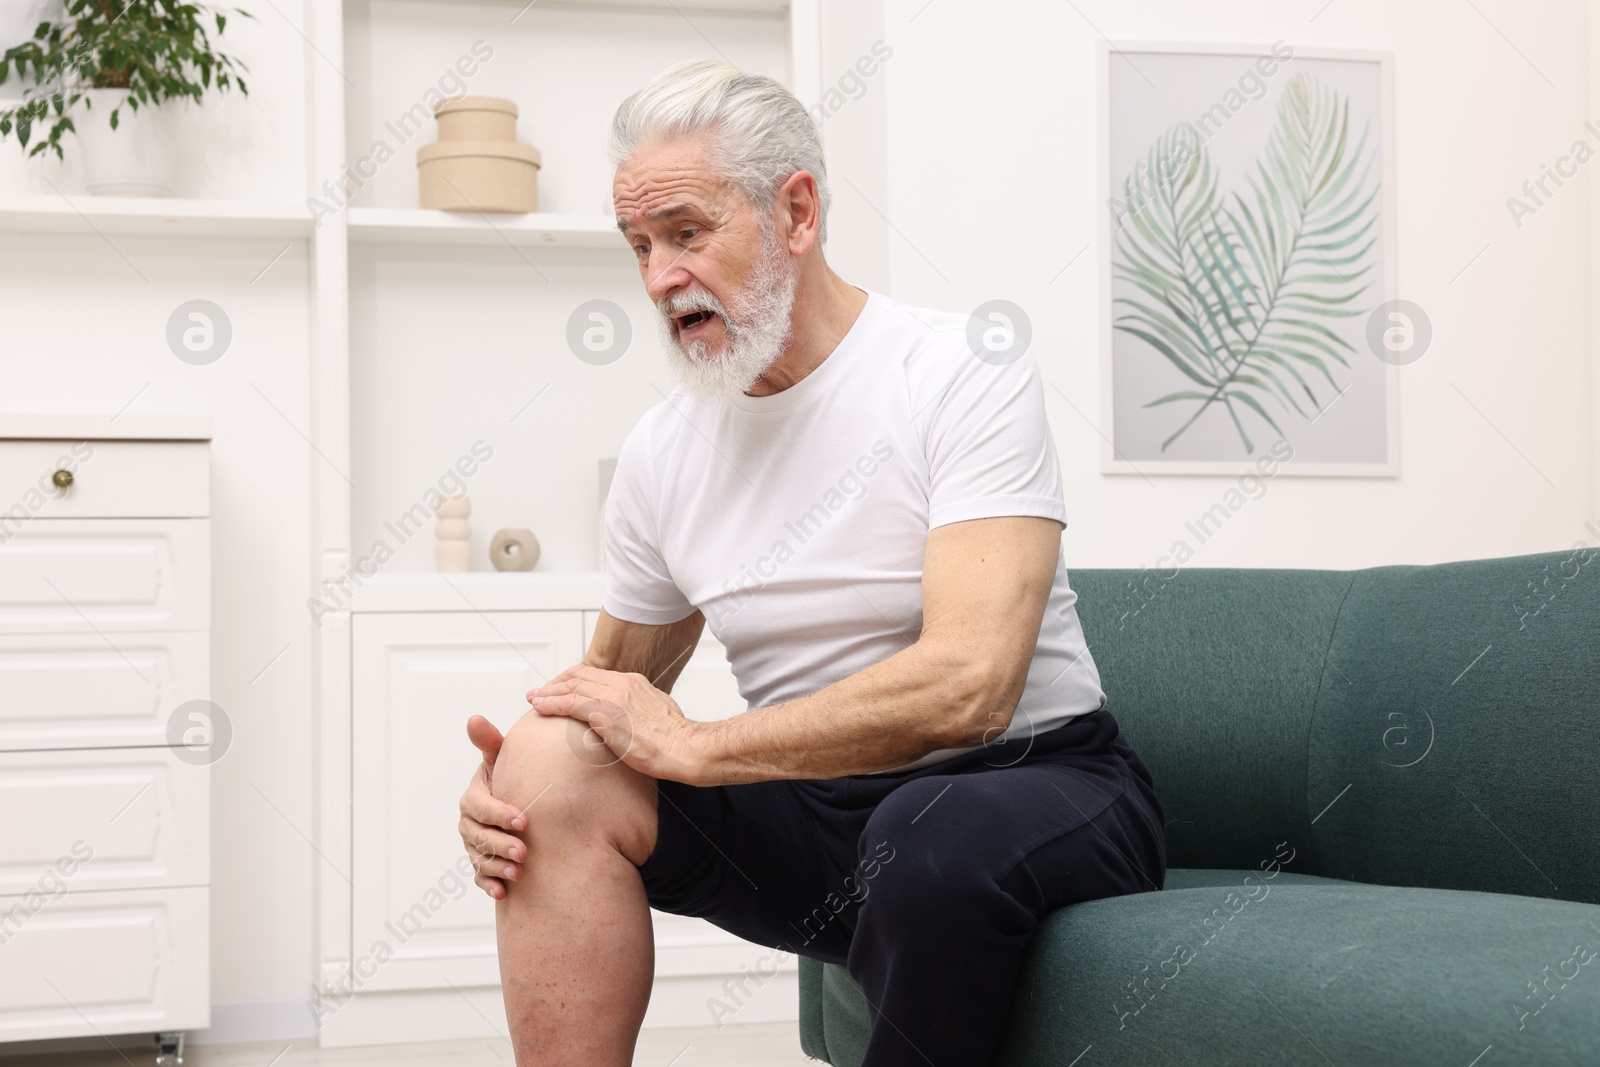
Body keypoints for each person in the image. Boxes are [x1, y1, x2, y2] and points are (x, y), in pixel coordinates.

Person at [457, 58, 1167, 1067]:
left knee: (927, 831)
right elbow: (608, 699)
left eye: (688, 233)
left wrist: (702, 745)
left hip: (1037, 783)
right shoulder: (665, 450)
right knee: (549, 761)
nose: (660, 278)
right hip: (824, 817)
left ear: (795, 211)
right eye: (640, 245)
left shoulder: (957, 369)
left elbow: (971, 685)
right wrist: (505, 794)